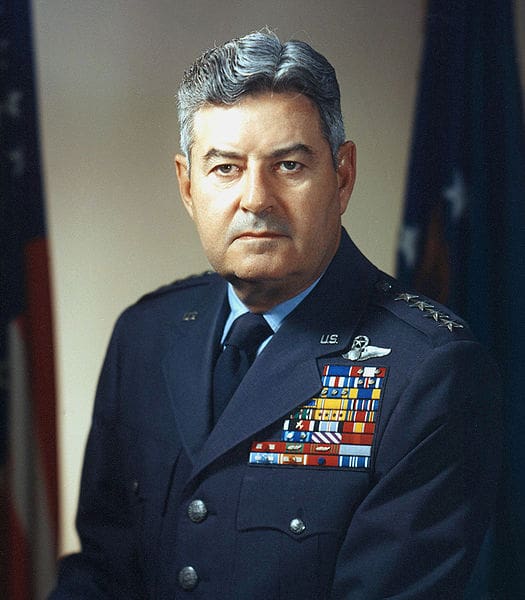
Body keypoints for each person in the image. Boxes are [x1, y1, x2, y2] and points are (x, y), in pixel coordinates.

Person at [51, 30, 501, 599]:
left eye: (288, 165)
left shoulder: (429, 373)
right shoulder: (145, 336)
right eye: (225, 168)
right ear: (187, 186)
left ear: (342, 177)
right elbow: (102, 573)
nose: (256, 199)